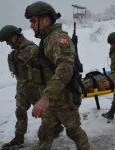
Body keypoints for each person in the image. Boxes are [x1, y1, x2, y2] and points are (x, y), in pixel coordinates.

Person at [24, 1, 90, 150]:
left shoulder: (58, 38)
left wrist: (45, 97)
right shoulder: (46, 40)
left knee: (74, 132)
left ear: (46, 20)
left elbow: (66, 68)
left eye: (34, 21)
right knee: (45, 133)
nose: (31, 25)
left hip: (64, 101)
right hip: (51, 102)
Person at [0, 25, 41, 149]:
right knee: (20, 111)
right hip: (22, 88)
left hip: (34, 88)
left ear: (14, 36)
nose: (7, 44)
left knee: (46, 115)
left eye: (7, 40)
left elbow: (43, 71)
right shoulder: (17, 51)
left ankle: (47, 138)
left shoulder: (31, 49)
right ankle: (18, 138)